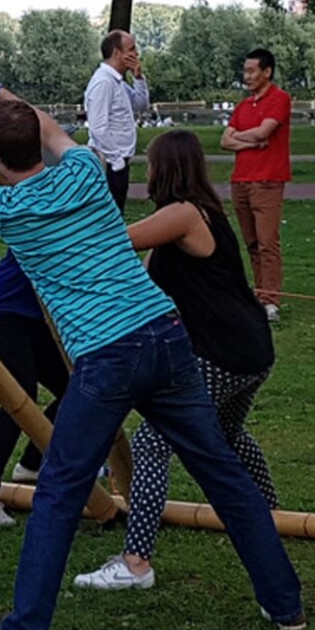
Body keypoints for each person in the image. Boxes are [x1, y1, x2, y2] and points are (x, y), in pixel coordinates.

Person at [0, 32, 304, 630]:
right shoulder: (85, 172)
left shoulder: (2, 208)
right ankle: (285, 604)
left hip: (106, 356)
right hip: (166, 336)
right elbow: (46, 128)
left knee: (59, 491)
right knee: (221, 472)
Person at [73, 130, 278, 590]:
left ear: (168, 169)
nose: (146, 172)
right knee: (225, 433)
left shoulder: (184, 214)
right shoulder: (197, 216)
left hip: (222, 353)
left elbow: (119, 241)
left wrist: (73, 215)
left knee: (151, 443)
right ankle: (270, 513)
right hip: (250, 350)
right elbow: (145, 284)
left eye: (151, 164)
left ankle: (136, 562)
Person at [0, 249, 69, 526]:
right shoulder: (49, 216)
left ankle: (32, 464)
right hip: (0, 313)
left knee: (76, 388)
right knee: (18, 396)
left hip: (33, 320)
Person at [221, 48, 291, 324]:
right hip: (241, 181)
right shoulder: (243, 106)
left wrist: (247, 138)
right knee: (251, 242)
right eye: (245, 71)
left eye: (252, 71)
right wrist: (251, 141)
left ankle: (271, 299)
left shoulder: (279, 99)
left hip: (267, 181)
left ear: (267, 72)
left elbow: (265, 131)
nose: (247, 76)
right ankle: (259, 294)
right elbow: (225, 141)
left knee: (267, 242)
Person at [84, 29, 150, 213]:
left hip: (118, 162)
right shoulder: (103, 82)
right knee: (109, 216)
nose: (136, 54)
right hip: (109, 163)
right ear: (116, 53)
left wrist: (138, 78)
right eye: (132, 49)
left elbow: (141, 104)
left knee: (117, 213)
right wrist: (117, 160)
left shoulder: (117, 82)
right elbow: (98, 127)